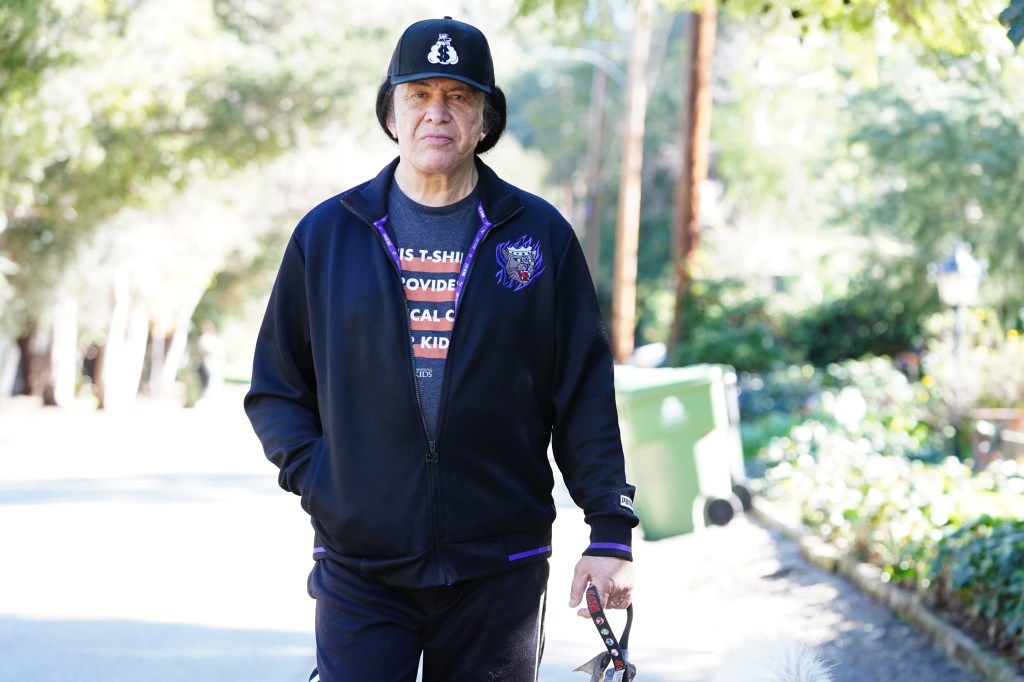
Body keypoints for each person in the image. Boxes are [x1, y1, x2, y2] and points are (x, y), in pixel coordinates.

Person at [244, 16, 638, 682]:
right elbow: (277, 388)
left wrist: (609, 532)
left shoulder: (538, 236)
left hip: (499, 569)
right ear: (391, 113)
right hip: (360, 564)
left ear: (485, 119)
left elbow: (583, 396)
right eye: (419, 95)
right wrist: (327, 482)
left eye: (457, 97)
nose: (437, 113)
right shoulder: (330, 234)